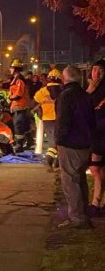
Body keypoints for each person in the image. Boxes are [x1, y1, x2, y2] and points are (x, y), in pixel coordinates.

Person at [55, 66, 95, 229]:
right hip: (85, 144)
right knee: (80, 180)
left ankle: (77, 218)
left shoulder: (65, 96)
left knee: (70, 180)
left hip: (70, 144)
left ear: (64, 79)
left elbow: (63, 121)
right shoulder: (85, 95)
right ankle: (83, 212)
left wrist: (58, 141)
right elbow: (92, 120)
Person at [33, 69, 62, 171]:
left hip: (47, 119)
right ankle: (51, 161)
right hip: (60, 118)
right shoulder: (63, 90)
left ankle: (54, 162)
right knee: (59, 142)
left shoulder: (42, 91)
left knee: (52, 141)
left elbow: (35, 101)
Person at [86, 59, 105, 215]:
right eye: (94, 69)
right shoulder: (92, 88)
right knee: (97, 168)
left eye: (100, 70)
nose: (96, 73)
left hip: (101, 134)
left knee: (95, 167)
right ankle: (97, 202)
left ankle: (96, 202)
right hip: (96, 134)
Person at [8, 59, 30, 152]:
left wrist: (11, 97)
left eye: (11, 68)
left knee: (18, 126)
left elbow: (19, 94)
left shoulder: (19, 79)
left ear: (15, 69)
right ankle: (25, 143)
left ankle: (19, 145)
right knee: (21, 125)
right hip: (17, 106)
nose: (10, 69)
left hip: (20, 105)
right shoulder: (16, 79)